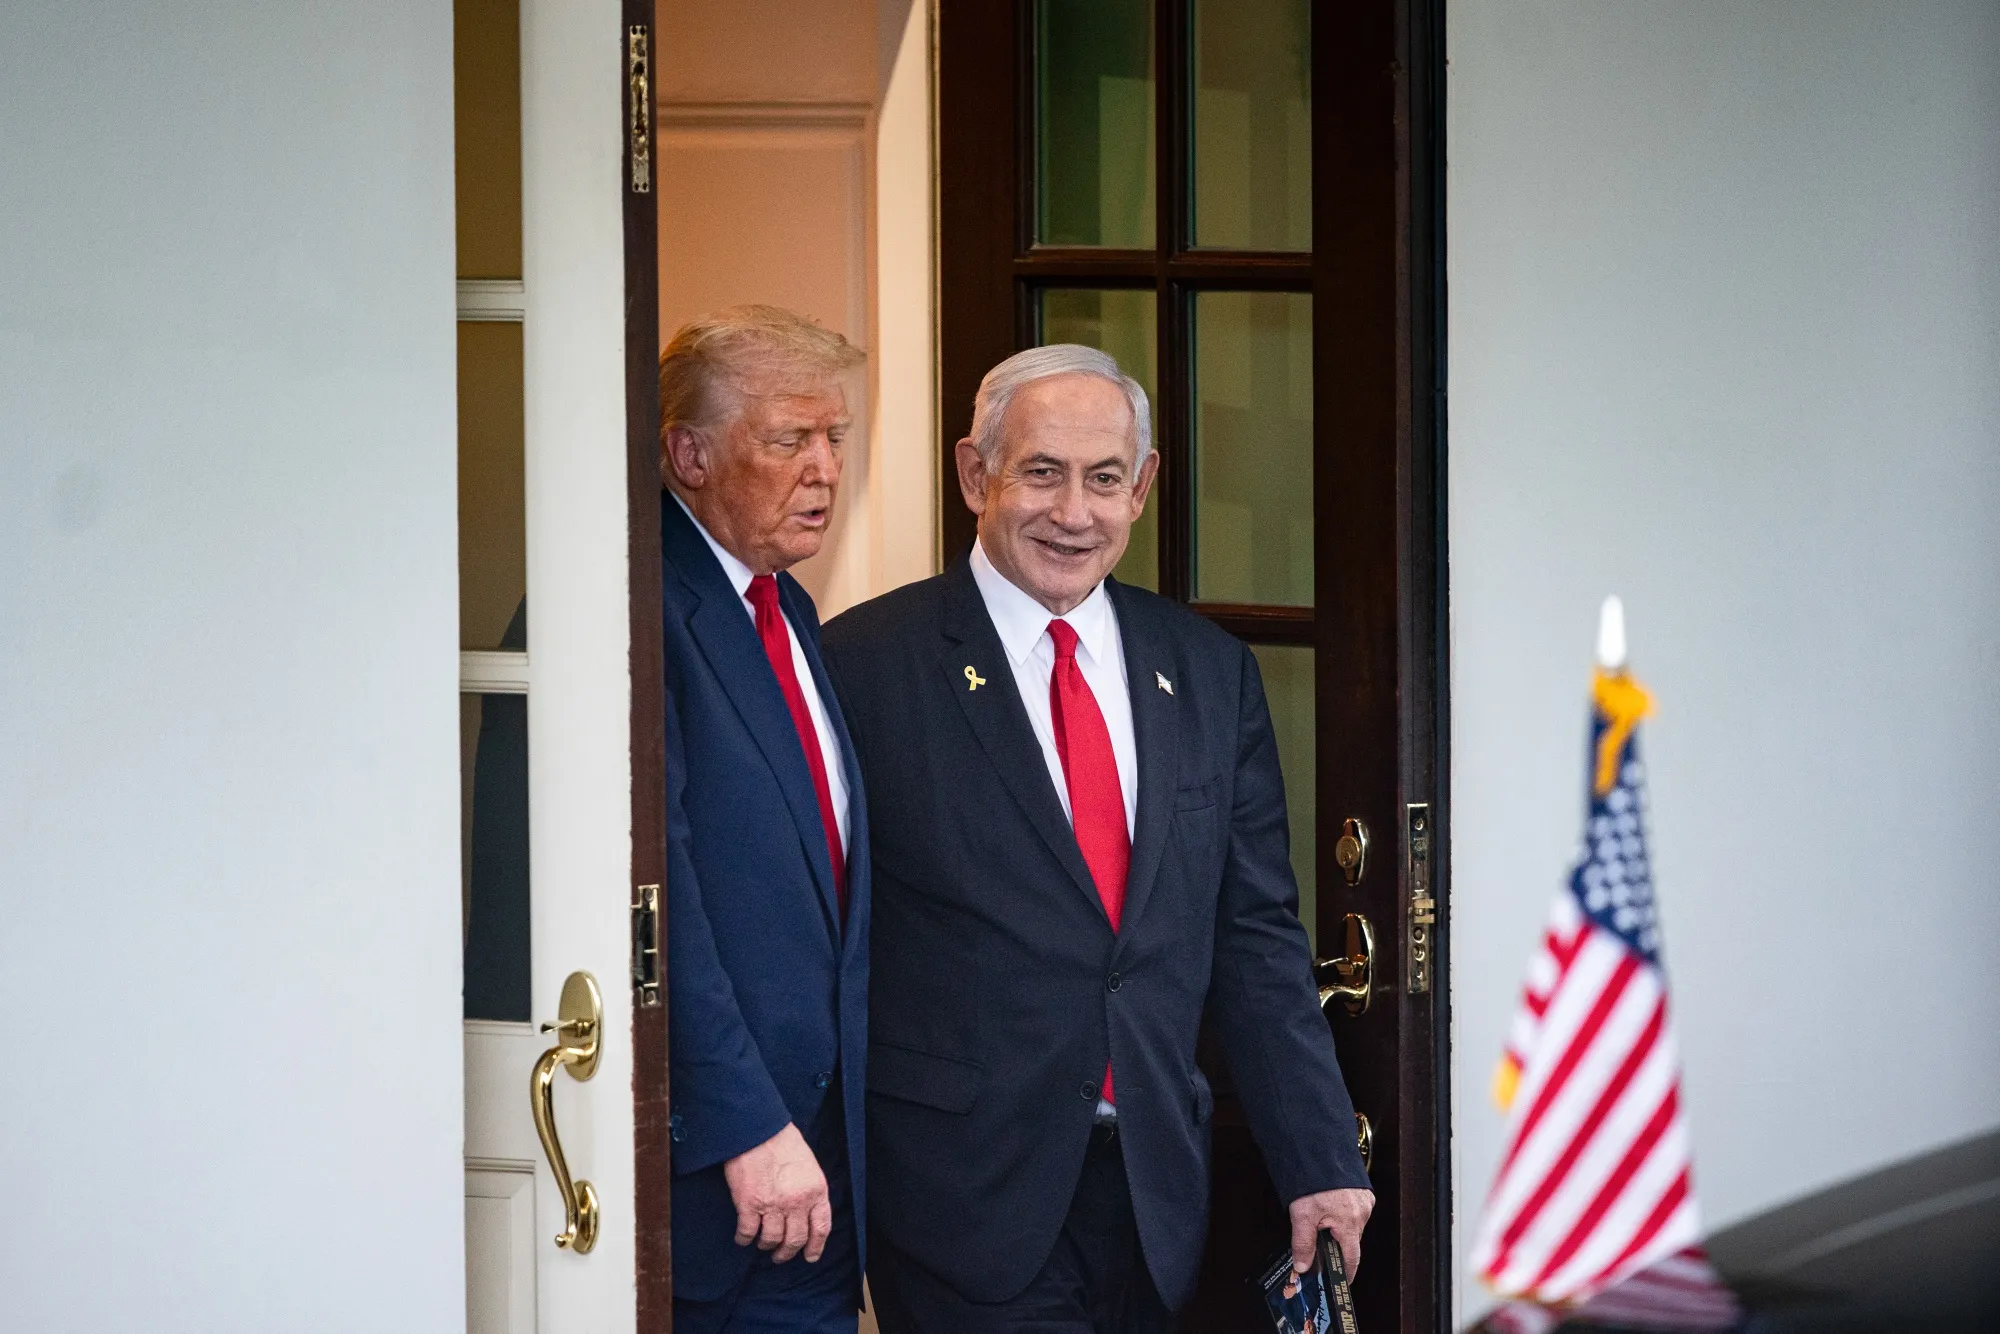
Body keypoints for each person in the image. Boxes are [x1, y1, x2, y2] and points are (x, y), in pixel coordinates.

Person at [821, 345, 1374, 1332]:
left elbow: (1254, 936)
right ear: (974, 475)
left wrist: (1320, 1158)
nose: (1073, 512)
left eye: (1104, 478)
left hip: (1157, 1195)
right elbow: (813, 935)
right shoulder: (863, 665)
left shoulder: (1207, 671)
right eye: (1041, 472)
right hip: (960, 1197)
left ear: (1143, 486)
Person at [659, 305, 870, 1333]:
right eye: (790, 440)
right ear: (689, 454)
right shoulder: (632, 606)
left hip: (821, 1164)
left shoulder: (786, 606)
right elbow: (658, 899)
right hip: (729, 1173)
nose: (825, 469)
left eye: (835, 437)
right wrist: (744, 1123)